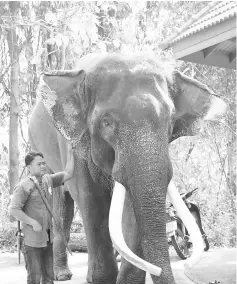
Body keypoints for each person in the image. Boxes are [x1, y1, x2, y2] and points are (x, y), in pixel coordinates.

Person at [9, 144, 75, 284]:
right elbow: (13, 209)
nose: (43, 166)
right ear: (29, 168)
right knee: (35, 278)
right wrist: (32, 222)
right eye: (39, 164)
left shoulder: (48, 180)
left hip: (47, 239)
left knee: (49, 278)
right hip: (31, 241)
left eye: (44, 163)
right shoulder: (23, 186)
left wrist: (70, 153)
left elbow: (68, 173)